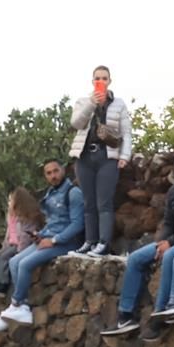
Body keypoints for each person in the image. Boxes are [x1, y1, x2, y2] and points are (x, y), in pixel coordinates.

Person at [99, 154, 174, 338]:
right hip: (172, 239)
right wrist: (161, 242)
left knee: (169, 256)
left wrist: (170, 243)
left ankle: (160, 315)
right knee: (135, 259)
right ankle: (126, 316)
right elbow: (169, 222)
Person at [0, 158, 84, 333]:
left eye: (55, 171)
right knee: (14, 262)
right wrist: (40, 235)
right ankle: (23, 306)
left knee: (25, 264)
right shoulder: (50, 194)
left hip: (66, 242)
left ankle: (16, 304)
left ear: (63, 170)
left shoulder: (73, 193)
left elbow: (78, 224)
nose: (53, 176)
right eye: (49, 173)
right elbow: (52, 221)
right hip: (46, 239)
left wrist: (54, 240)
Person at [68, 65, 132, 257]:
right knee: (88, 202)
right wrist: (91, 104)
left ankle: (104, 243)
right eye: (97, 78)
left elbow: (126, 132)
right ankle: (90, 241)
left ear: (109, 81)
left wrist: (124, 156)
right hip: (85, 156)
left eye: (104, 78)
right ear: (92, 81)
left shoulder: (119, 104)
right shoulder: (83, 101)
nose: (101, 81)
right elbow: (76, 123)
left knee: (104, 202)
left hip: (107, 156)